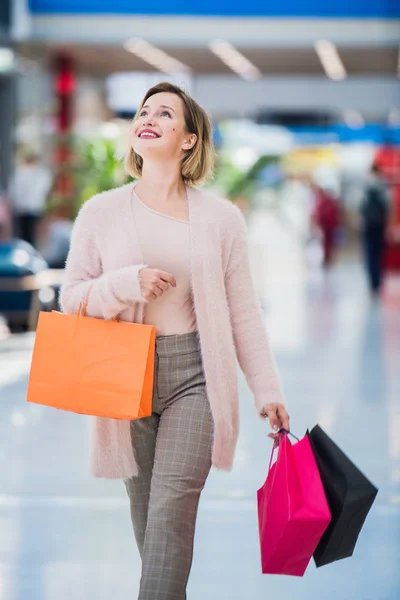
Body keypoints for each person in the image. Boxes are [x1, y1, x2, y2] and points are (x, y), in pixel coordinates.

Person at [59, 82, 289, 600]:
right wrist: (124, 284)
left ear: (188, 140)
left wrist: (267, 389)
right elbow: (70, 297)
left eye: (165, 113)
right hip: (124, 379)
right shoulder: (100, 212)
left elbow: (243, 312)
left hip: (197, 376)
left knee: (170, 511)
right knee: (152, 527)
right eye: (143, 112)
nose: (149, 118)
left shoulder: (221, 219)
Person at [9, 151, 52, 247]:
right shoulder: (41, 173)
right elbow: (46, 190)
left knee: (22, 233)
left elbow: (13, 190)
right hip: (34, 207)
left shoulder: (20, 172)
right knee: (32, 235)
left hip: (21, 208)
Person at [360, 163, 391, 295]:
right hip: (380, 225)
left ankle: (372, 282)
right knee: (379, 253)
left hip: (368, 225)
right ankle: (378, 281)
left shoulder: (366, 187)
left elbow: (361, 206)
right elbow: (388, 206)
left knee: (370, 253)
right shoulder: (383, 187)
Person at [311, 183, 341, 268]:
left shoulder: (326, 200)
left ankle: (328, 258)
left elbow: (329, 214)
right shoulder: (322, 200)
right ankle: (327, 258)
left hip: (328, 226)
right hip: (326, 226)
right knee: (326, 243)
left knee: (328, 243)